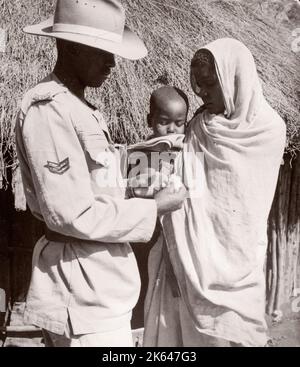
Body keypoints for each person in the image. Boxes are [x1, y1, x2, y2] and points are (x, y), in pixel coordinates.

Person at [15, 0, 186, 347]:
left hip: (101, 284)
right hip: (81, 287)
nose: (111, 63)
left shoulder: (80, 108)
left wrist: (135, 172)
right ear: (72, 48)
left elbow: (92, 181)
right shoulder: (49, 110)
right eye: (102, 52)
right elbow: (71, 213)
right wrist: (155, 207)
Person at [143, 38, 286, 347]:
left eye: (210, 84)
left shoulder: (269, 130)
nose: (202, 93)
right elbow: (175, 187)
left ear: (235, 78)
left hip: (239, 262)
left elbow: (245, 203)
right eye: (198, 85)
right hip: (188, 261)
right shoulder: (197, 126)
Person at [129, 86, 188, 329]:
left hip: (177, 236)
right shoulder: (139, 153)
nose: (172, 130)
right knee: (146, 285)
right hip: (148, 236)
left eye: (179, 123)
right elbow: (137, 191)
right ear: (149, 120)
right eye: (164, 122)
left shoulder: (188, 152)